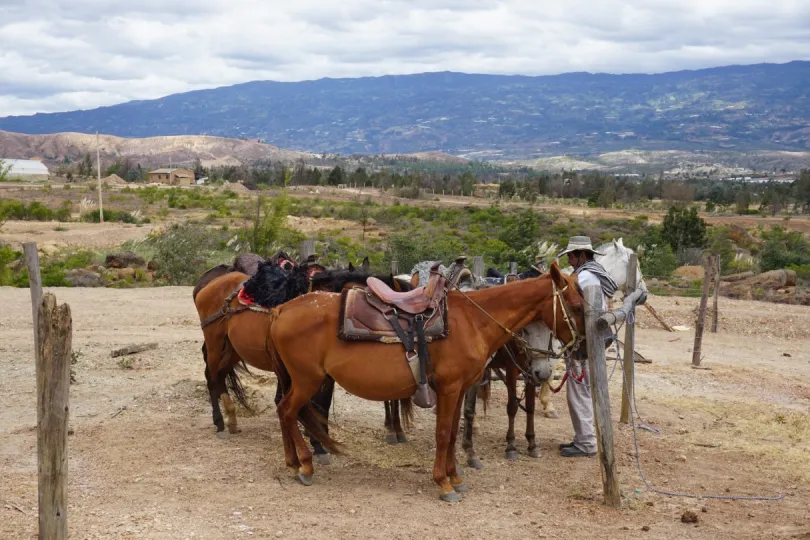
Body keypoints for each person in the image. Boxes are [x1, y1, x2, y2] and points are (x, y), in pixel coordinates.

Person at [556, 236, 618, 458]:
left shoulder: (584, 277)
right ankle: (584, 437)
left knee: (579, 389)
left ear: (581, 255)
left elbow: (580, 308)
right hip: (593, 337)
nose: (570, 260)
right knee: (584, 388)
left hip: (584, 339)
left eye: (572, 256)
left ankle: (586, 443)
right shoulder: (592, 273)